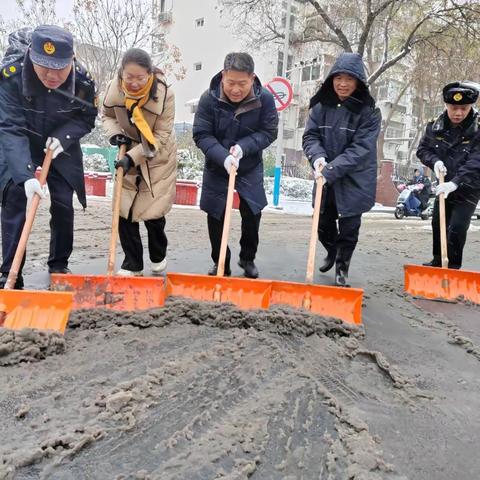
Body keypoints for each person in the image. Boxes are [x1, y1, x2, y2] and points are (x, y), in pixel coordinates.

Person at [0, 25, 97, 289]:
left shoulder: (83, 81)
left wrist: (64, 138)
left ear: (72, 60)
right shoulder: (12, 76)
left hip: (60, 149)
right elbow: (9, 126)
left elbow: (88, 118)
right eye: (44, 67)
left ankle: (59, 265)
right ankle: (10, 271)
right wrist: (24, 175)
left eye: (59, 68)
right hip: (22, 143)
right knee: (15, 198)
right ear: (31, 56)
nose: (52, 75)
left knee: (64, 204)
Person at [193, 52, 278, 278]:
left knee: (252, 210)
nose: (236, 89)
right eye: (231, 83)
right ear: (223, 76)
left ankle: (247, 258)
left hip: (249, 163)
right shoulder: (208, 99)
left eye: (242, 83)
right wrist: (223, 156)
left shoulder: (265, 100)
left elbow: (269, 132)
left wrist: (243, 147)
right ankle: (221, 260)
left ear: (252, 78)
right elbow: (201, 134)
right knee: (215, 212)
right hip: (217, 164)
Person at [303, 52, 381, 287]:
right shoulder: (320, 106)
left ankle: (342, 267)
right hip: (326, 175)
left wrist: (330, 170)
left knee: (349, 227)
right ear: (331, 79)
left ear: (358, 82)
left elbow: (360, 149)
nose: (343, 84)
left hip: (355, 179)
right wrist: (317, 157)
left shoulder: (369, 112)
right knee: (323, 223)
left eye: (349, 79)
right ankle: (332, 250)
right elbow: (310, 136)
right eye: (338, 78)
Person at [102, 48, 176, 276]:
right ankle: (132, 263)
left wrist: (131, 158)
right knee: (124, 211)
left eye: (140, 78)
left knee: (153, 213)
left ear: (150, 74)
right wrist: (115, 134)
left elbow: (161, 136)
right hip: (127, 148)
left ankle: (158, 254)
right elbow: (107, 116)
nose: (134, 83)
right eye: (129, 77)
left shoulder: (164, 94)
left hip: (157, 156)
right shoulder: (114, 89)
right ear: (121, 73)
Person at [417, 81, 480, 269]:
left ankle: (452, 267)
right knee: (438, 224)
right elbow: (423, 150)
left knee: (457, 228)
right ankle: (438, 260)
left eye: (463, 108)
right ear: (446, 105)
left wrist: (456, 182)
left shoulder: (477, 129)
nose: (458, 113)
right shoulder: (436, 127)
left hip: (469, 187)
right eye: (454, 107)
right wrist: (434, 161)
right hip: (443, 185)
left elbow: (476, 161)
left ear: (471, 106)